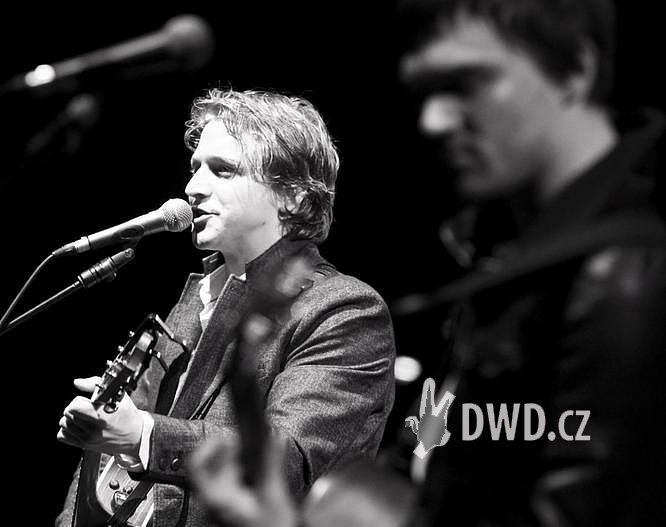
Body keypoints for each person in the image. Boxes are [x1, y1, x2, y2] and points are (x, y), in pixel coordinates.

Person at [188, 1, 666, 526]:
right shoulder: (505, 260)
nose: (433, 120)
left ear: (575, 69)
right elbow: (445, 469)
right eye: (426, 91)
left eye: (465, 83)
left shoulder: (627, 273)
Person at [55, 89, 396, 526]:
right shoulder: (196, 299)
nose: (192, 188)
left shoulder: (342, 309)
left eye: (223, 170)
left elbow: (286, 462)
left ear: (292, 195)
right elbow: (109, 453)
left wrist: (142, 434)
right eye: (194, 168)